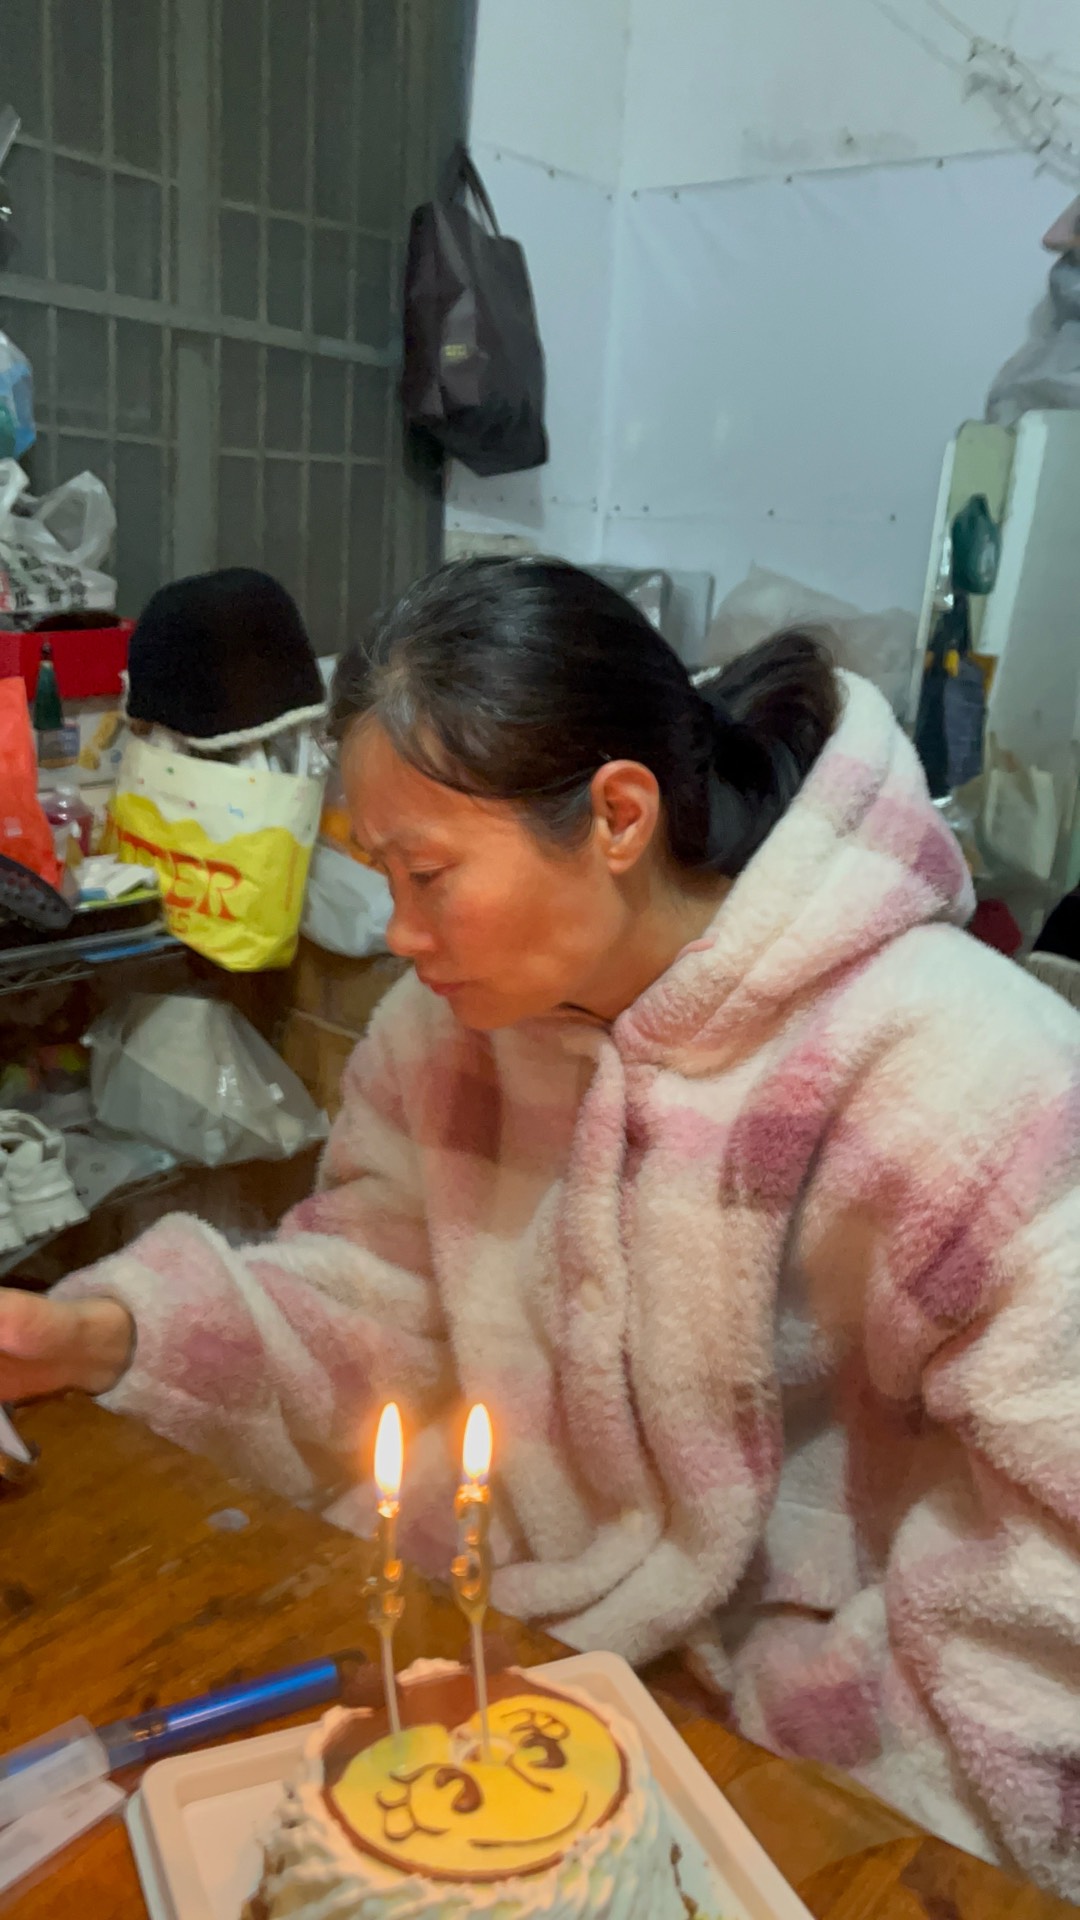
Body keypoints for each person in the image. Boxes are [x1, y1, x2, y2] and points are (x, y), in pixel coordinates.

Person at [3, 559, 1079, 1898]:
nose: (398, 934)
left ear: (619, 815)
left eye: (429, 873)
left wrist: (829, 1779)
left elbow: (1047, 1575)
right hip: (503, 1663)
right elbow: (375, 1288)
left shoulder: (965, 1079)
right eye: (380, 874)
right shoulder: (449, 1036)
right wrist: (106, 1338)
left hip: (829, 1749)